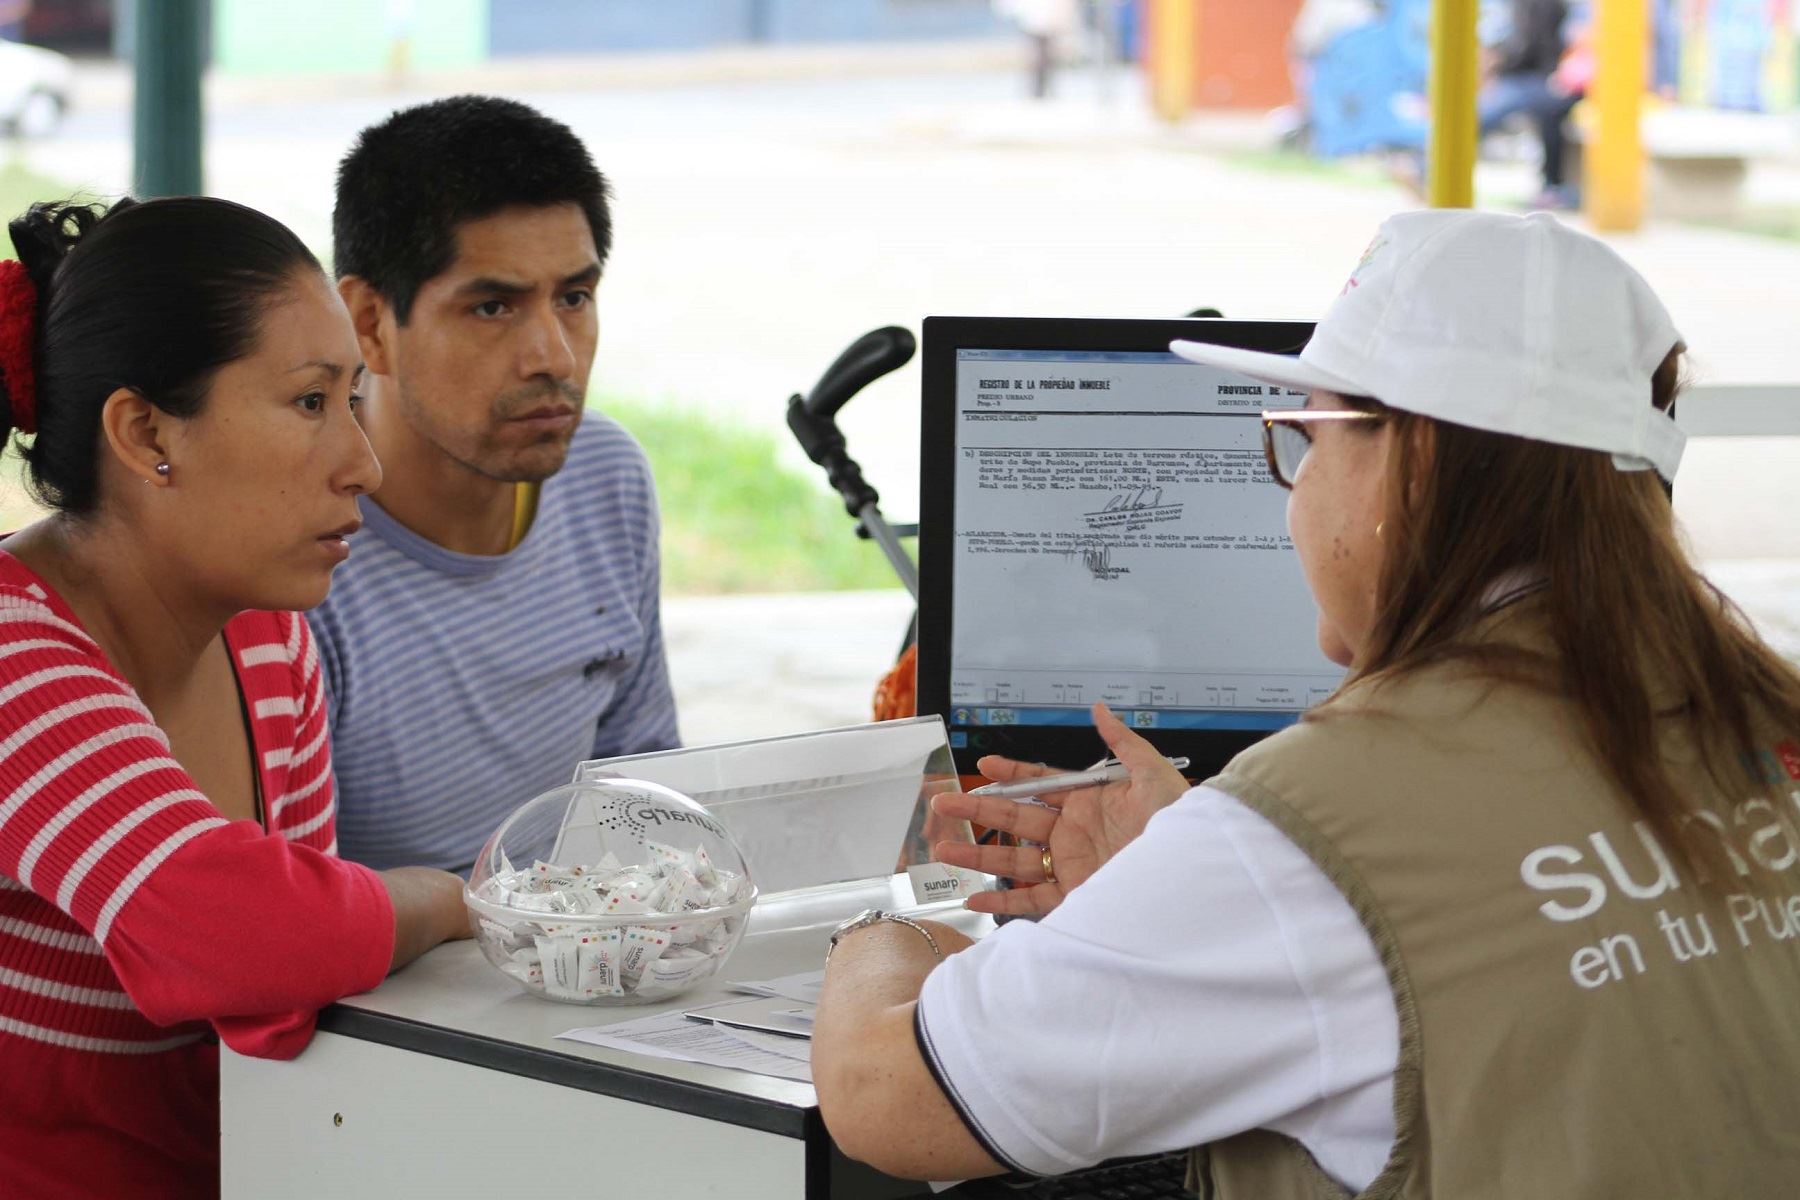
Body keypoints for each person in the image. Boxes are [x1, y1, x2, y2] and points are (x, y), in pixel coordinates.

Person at [810, 210, 1800, 1195]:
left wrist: (883, 930)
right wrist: (1183, 867)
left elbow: (881, 1095)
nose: (1299, 485)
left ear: (1413, 461)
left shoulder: (1326, 820)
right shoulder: (1762, 708)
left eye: (1306, 439)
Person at [0, 196, 470, 1197]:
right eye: (310, 404)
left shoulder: (267, 637)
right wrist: (445, 898)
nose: (363, 463)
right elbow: (254, 939)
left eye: (353, 401)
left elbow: (291, 997)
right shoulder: (12, 659)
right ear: (142, 431)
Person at [311, 96, 678, 875]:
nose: (554, 356)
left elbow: (646, 796)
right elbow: (289, 915)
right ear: (369, 323)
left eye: (574, 297)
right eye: (492, 306)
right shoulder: (299, 550)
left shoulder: (603, 476)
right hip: (382, 987)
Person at [1479, 0, 1582, 209]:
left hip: (1549, 78)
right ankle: (1553, 186)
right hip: (1547, 77)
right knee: (1513, 102)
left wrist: (1501, 67)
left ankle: (1428, 156)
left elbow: (1529, 46)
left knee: (1504, 101)